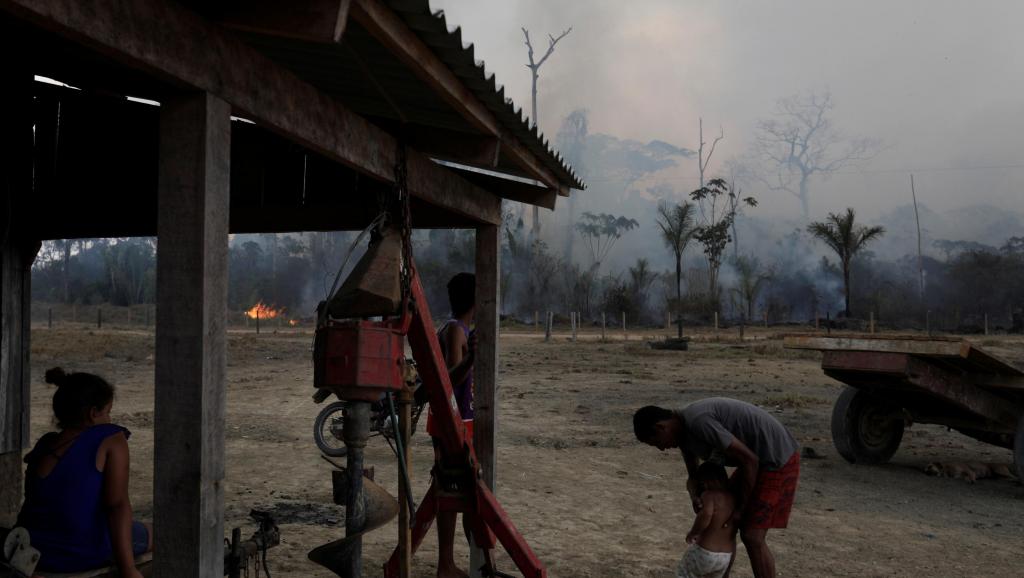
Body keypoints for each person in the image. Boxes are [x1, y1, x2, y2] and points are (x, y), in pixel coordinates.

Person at [633, 398, 799, 578]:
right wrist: (696, 496)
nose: (661, 449)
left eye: (656, 442)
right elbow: (693, 477)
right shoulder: (683, 435)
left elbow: (750, 460)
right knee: (726, 521)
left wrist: (741, 509)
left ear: (661, 427)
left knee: (752, 536)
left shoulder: (698, 421)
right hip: (753, 462)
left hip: (775, 457)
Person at [17, 368, 151, 576]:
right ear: (93, 413)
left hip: (30, 551)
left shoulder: (45, 444)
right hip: (78, 551)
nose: (109, 418)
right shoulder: (110, 438)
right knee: (162, 532)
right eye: (108, 412)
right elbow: (117, 506)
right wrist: (129, 570)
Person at [425, 272, 477, 578]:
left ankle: (463, 561)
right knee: (455, 490)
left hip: (458, 419)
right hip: (450, 421)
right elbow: (449, 380)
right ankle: (446, 564)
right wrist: (471, 361)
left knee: (457, 490)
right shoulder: (456, 331)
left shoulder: (458, 329)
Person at [677, 462, 736, 578]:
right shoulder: (733, 499)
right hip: (725, 557)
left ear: (706, 481)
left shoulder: (709, 495)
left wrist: (693, 532)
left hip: (705, 552)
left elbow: (706, 514)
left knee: (684, 573)